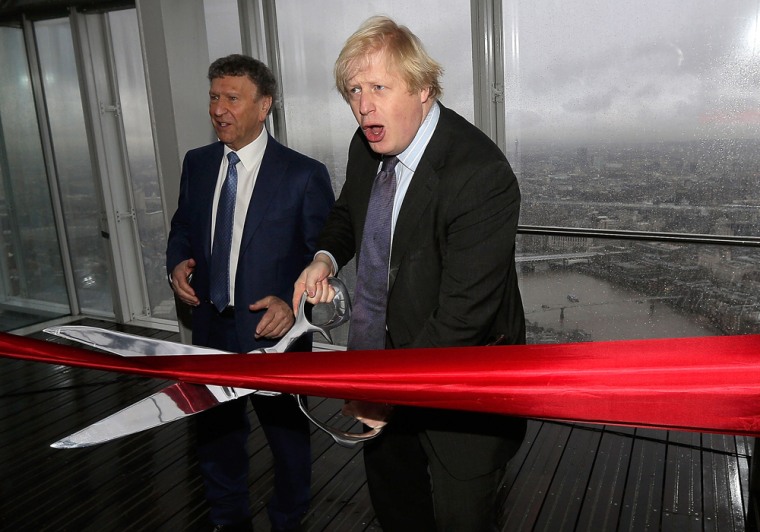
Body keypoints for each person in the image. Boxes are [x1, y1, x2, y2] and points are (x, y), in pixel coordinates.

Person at [292, 16, 526, 531]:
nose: (363, 105)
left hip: (460, 393)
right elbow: (350, 213)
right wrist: (325, 258)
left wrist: (387, 392)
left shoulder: (479, 174)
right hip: (379, 367)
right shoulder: (366, 143)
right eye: (353, 89)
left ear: (424, 88)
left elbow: (464, 320)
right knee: (397, 513)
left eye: (379, 86)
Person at [167, 54, 335, 532]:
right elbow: (183, 227)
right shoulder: (197, 164)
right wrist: (176, 262)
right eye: (214, 97)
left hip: (272, 335)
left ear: (264, 106)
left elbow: (321, 255)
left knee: (287, 443)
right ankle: (227, 520)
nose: (219, 109)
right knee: (216, 438)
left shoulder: (304, 175)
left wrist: (291, 300)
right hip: (210, 327)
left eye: (232, 98)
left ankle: (287, 520)